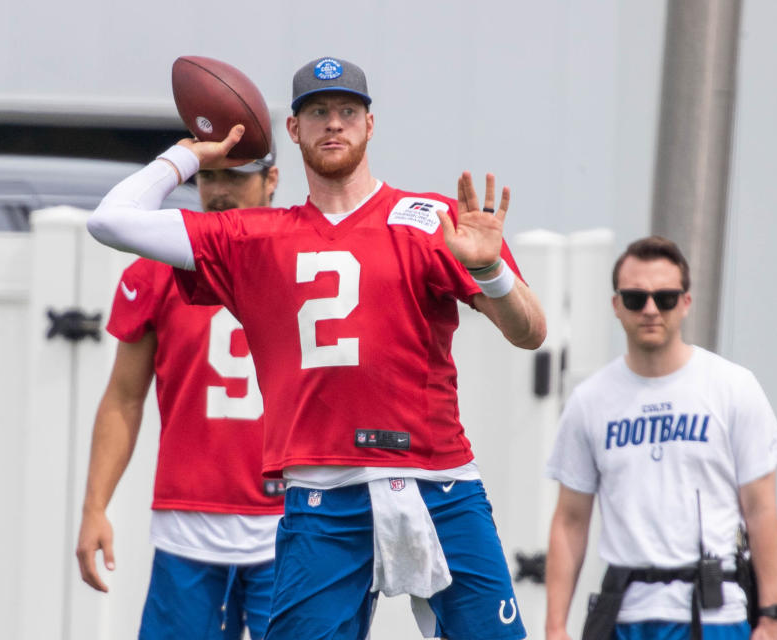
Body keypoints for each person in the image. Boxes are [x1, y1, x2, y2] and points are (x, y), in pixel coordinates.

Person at [87, 55, 547, 640]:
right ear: (293, 130)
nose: (334, 124)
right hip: (322, 498)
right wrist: (189, 155)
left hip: (439, 479)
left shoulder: (430, 219)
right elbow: (110, 220)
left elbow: (530, 331)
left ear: (370, 125)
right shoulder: (253, 235)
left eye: (347, 112)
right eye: (318, 112)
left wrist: (490, 274)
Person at [75, 147, 283, 640]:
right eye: (206, 176)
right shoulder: (158, 265)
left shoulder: (305, 255)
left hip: (291, 521)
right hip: (189, 523)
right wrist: (94, 507)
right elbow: (124, 397)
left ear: (271, 178)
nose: (218, 190)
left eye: (234, 176)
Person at [544, 236, 777, 640]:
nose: (651, 309)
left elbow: (761, 509)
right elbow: (570, 521)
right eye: (636, 298)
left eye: (666, 297)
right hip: (623, 615)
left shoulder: (733, 387)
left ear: (686, 302)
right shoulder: (590, 401)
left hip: (715, 612)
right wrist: (555, 627)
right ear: (616, 305)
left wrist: (772, 616)